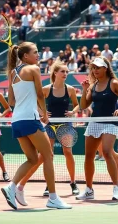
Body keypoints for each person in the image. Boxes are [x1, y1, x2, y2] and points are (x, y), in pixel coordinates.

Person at [1, 42, 71, 210]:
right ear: (25, 56)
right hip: (30, 120)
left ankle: (12, 187)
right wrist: (44, 114)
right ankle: (53, 198)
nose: (38, 55)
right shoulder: (33, 69)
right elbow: (40, 94)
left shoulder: (13, 73)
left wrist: (35, 108)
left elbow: (11, 101)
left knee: (33, 159)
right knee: (48, 156)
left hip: (17, 120)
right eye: (35, 52)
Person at [17, 61, 80, 197]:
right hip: (49, 124)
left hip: (65, 124)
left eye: (66, 72)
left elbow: (77, 105)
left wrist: (72, 112)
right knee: (47, 155)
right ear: (55, 73)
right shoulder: (46, 89)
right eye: (62, 71)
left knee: (68, 152)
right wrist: (42, 113)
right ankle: (49, 185)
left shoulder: (70, 89)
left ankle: (73, 182)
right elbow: (34, 102)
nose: (65, 74)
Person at [76, 56, 118, 201]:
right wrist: (84, 90)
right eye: (93, 68)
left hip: (110, 122)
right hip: (95, 122)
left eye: (98, 67)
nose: (95, 70)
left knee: (108, 152)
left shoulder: (114, 83)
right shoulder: (93, 85)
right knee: (89, 156)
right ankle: (89, 190)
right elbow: (83, 105)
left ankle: (116, 187)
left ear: (105, 68)